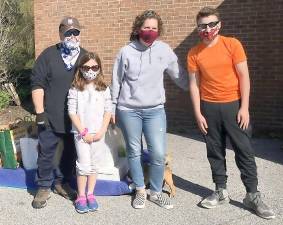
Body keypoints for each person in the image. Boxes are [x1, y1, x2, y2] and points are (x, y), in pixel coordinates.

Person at [187, 7, 275, 219]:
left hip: (234, 106)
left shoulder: (232, 44)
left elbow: (244, 76)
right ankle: (220, 190)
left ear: (219, 25)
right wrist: (198, 112)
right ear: (198, 28)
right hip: (208, 108)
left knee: (244, 151)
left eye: (211, 24)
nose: (207, 29)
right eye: (202, 26)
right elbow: (194, 85)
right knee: (215, 151)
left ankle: (252, 195)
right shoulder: (194, 53)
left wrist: (244, 108)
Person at [111, 9, 188, 210]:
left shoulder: (164, 50)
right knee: (134, 151)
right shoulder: (125, 52)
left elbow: (179, 75)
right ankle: (139, 190)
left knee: (158, 153)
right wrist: (112, 108)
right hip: (129, 110)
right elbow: (116, 82)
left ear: (158, 30)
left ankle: (155, 192)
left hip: (155, 110)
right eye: (146, 27)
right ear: (138, 29)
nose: (150, 31)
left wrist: (197, 88)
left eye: (154, 28)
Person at [31, 16, 87, 209]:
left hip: (75, 119)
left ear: (80, 34)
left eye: (75, 32)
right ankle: (44, 186)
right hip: (50, 116)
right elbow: (37, 83)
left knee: (70, 154)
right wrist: (40, 113)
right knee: (46, 153)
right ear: (61, 34)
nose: (72, 36)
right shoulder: (48, 55)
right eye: (68, 32)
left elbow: (94, 86)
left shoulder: (85, 58)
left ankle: (62, 183)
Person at [67, 52, 112, 213]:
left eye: (94, 67)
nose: (90, 70)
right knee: (83, 165)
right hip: (81, 134)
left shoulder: (104, 88)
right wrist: (83, 131)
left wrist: (102, 131)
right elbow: (72, 111)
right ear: (80, 68)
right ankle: (81, 196)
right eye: (86, 67)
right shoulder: (75, 88)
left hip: (98, 133)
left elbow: (108, 110)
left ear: (99, 68)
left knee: (94, 165)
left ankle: (90, 194)